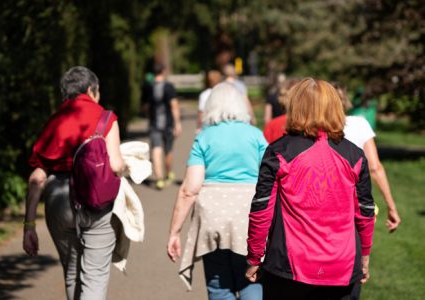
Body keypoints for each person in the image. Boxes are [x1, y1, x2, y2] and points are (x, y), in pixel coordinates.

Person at [246, 78, 375, 300]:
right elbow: (365, 211)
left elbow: (261, 209)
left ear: (295, 107)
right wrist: (364, 256)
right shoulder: (354, 155)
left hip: (289, 268)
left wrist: (254, 258)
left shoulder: (279, 151)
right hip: (342, 265)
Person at [23, 66, 126, 299]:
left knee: (72, 274)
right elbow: (117, 166)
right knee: (95, 277)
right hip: (95, 199)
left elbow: (37, 177)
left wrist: (29, 225)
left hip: (58, 201)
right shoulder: (105, 117)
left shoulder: (54, 122)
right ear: (91, 90)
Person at [167, 82, 267, 300]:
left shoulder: (204, 137)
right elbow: (270, 180)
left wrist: (174, 232)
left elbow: (189, 190)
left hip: (212, 219)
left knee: (219, 285)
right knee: (252, 280)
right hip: (249, 218)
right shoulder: (256, 135)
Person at [336, 84, 401, 233]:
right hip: (355, 206)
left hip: (319, 207)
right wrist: (391, 207)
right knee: (357, 253)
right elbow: (374, 167)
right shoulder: (358, 124)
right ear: (344, 100)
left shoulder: (312, 129)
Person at [142, 63, 182, 190]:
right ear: (163, 71)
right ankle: (168, 174)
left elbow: (145, 106)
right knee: (168, 150)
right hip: (168, 124)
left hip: (154, 124)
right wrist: (177, 123)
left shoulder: (148, 87)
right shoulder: (169, 87)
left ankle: (159, 179)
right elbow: (174, 106)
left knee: (156, 149)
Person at [262, 79, 298, 143]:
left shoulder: (272, 97)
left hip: (275, 130)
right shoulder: (302, 123)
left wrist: (268, 127)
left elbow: (267, 118)